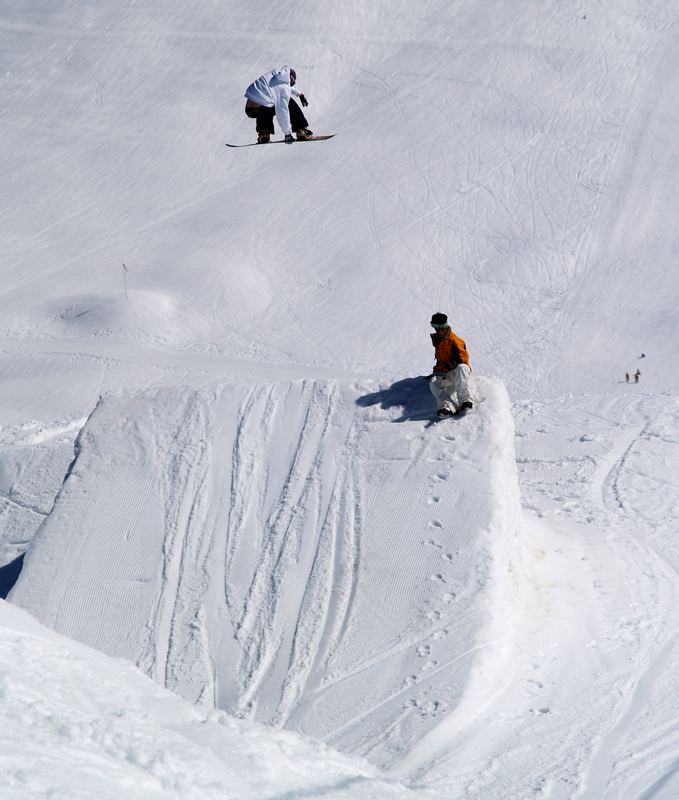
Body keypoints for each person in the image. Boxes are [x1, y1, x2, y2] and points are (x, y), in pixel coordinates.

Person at [244, 65, 313, 144]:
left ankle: (264, 134)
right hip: (261, 106)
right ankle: (301, 130)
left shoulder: (276, 75)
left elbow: (282, 85)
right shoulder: (283, 87)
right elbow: (282, 111)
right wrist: (287, 134)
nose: (290, 85)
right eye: (292, 83)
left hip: (250, 109)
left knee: (266, 104)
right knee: (290, 103)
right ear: (290, 79)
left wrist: (299, 94)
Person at [428, 312, 474, 417]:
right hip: (445, 374)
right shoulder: (438, 340)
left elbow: (464, 359)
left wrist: (453, 364)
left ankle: (465, 400)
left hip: (456, 373)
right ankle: (448, 405)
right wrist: (437, 372)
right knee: (433, 382)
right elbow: (440, 361)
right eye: (433, 326)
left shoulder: (455, 340)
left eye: (438, 326)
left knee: (462, 367)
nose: (437, 329)